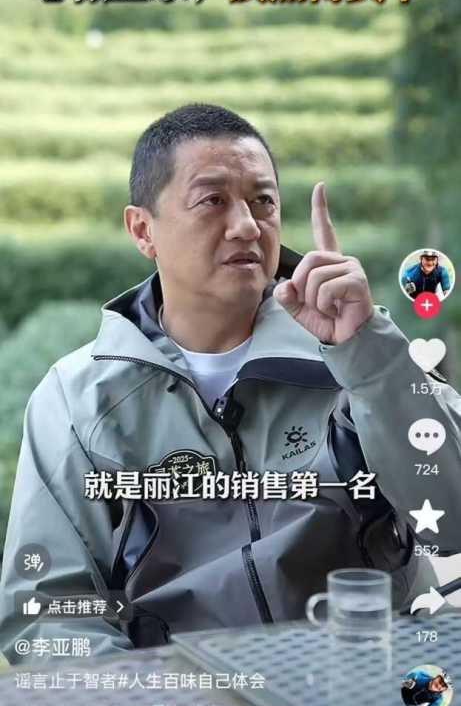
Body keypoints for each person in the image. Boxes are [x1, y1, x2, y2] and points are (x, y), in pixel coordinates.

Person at [1, 103, 461, 665]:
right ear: (143, 229)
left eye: (263, 201)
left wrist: (368, 357)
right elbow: (47, 608)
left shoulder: (356, 351)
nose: (247, 225)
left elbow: (453, 521)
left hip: (372, 677)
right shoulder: (78, 401)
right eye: (212, 200)